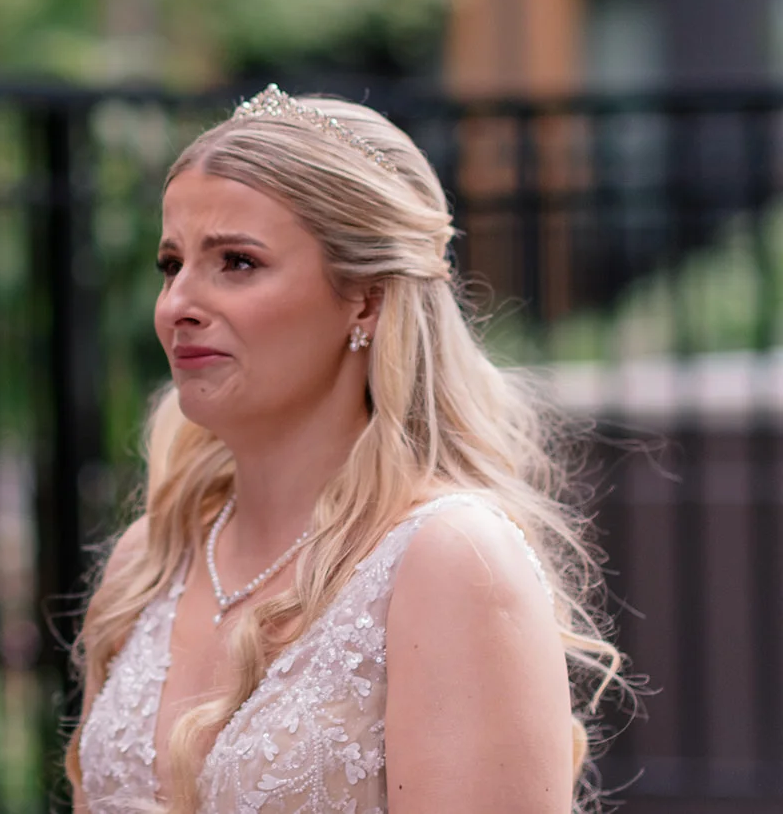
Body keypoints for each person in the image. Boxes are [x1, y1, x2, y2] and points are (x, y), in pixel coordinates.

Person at [68, 86, 629, 814]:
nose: (179, 303)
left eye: (236, 261)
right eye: (171, 264)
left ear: (364, 297)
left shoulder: (448, 558)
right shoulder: (150, 557)